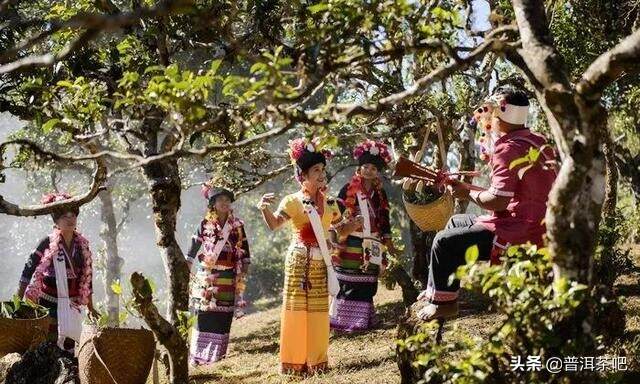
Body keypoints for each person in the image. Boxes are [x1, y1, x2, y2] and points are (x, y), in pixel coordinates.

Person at [417, 86, 558, 321]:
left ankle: (445, 306)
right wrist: (468, 189)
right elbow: (511, 195)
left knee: (442, 242)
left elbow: (499, 201)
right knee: (456, 221)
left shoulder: (508, 148)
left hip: (522, 231)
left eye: (490, 110)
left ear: (501, 113)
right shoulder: (536, 141)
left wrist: (466, 193)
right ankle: (439, 291)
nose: (486, 116)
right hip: (538, 224)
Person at [258, 137, 361, 375]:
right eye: (316, 170)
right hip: (298, 263)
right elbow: (274, 225)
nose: (322, 174)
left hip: (321, 263)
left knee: (318, 313)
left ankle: (317, 363)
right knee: (296, 312)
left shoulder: (332, 203)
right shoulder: (293, 201)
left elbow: (337, 232)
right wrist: (263, 208)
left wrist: (353, 226)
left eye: (323, 169)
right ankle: (294, 364)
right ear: (303, 175)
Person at [18, 192, 97, 351]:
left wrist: (91, 307)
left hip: (72, 306)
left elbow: (88, 278)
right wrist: (19, 299)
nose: (70, 219)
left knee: (69, 349)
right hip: (48, 304)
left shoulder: (82, 246)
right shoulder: (46, 242)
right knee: (48, 347)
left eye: (73, 215)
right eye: (65, 216)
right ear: (56, 220)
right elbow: (27, 271)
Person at [330, 139, 395, 333]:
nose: (368, 171)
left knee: (368, 282)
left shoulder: (380, 194)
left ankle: (364, 320)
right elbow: (335, 215)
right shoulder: (348, 189)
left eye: (373, 168)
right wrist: (337, 235)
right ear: (359, 168)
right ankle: (343, 322)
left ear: (377, 172)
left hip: (373, 243)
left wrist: (388, 242)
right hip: (352, 241)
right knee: (349, 281)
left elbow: (384, 218)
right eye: (365, 166)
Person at [186, 182, 250, 366]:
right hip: (207, 277)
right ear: (213, 203)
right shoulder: (204, 224)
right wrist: (188, 265)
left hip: (229, 277)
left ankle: (217, 356)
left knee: (223, 314)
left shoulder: (237, 226)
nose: (224, 202)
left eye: (227, 199)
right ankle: (199, 357)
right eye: (220, 199)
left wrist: (243, 271)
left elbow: (245, 250)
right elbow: (193, 248)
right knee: (205, 314)